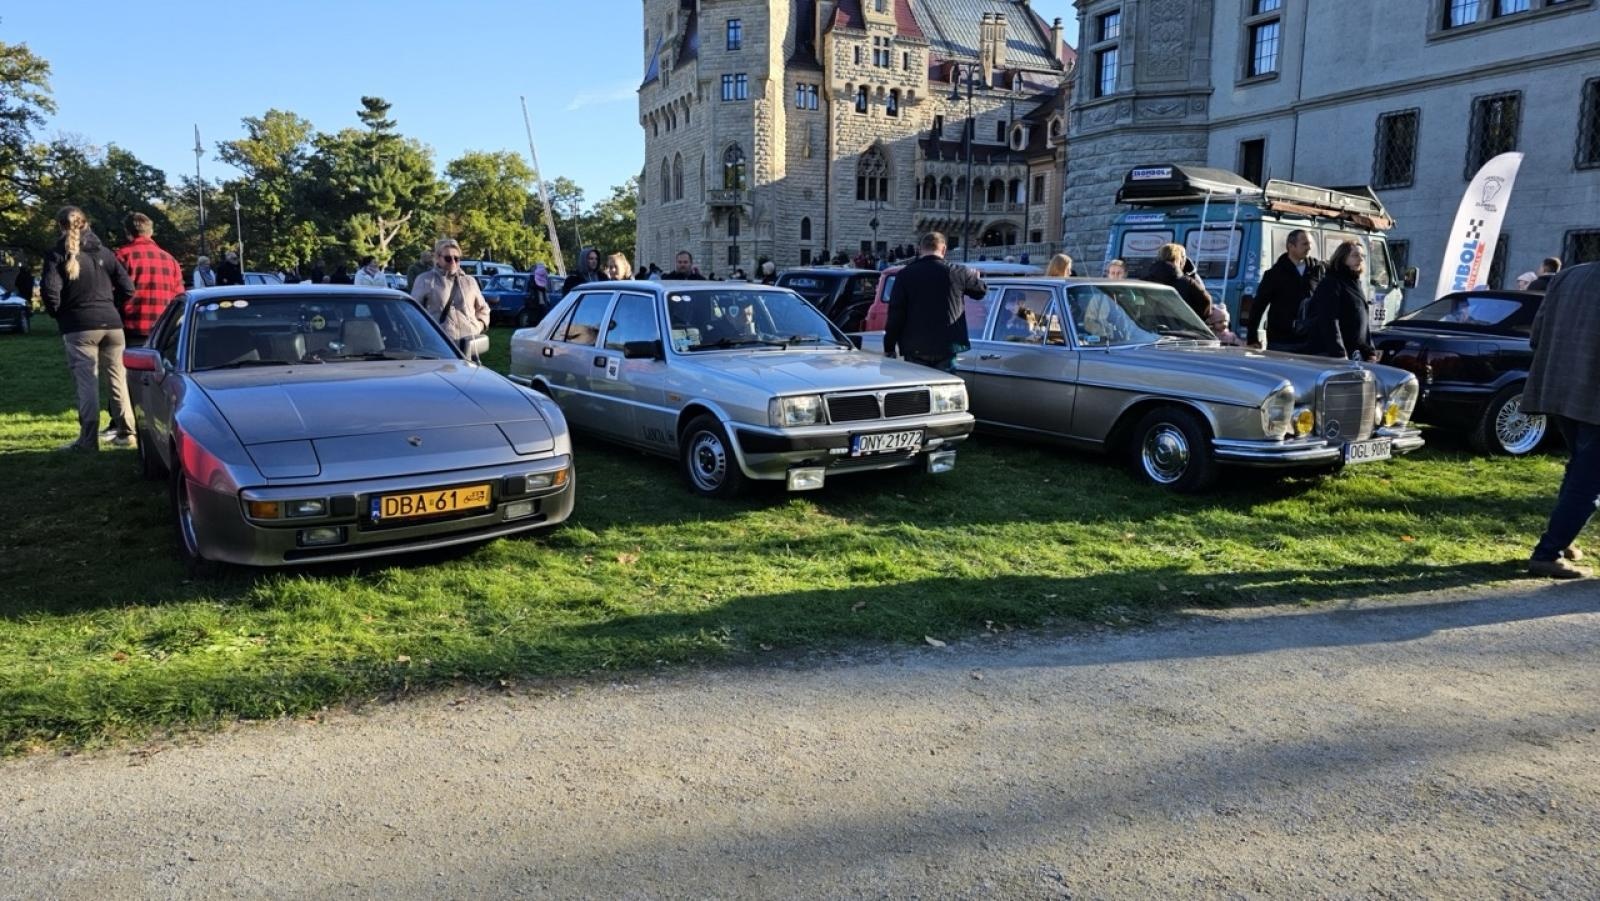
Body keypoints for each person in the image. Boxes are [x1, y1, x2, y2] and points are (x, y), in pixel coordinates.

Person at [1522, 261, 1600, 578]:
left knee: (1580, 467)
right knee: (1589, 479)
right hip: (1593, 395)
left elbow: (1536, 334)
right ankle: (1547, 552)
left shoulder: (1569, 275)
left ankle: (1564, 538)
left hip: (1559, 387)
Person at [40, 206, 138, 450]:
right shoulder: (105, 252)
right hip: (112, 324)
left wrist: (60, 314)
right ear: (87, 223)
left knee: (87, 382)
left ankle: (88, 439)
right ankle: (128, 432)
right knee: (118, 379)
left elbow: (51, 291)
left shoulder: (57, 254)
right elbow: (128, 288)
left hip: (79, 326)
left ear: (60, 225)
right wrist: (110, 306)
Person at [883, 231, 987, 373]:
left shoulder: (905, 274)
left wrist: (889, 347)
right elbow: (980, 292)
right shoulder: (958, 272)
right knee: (945, 391)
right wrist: (976, 277)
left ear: (920, 250)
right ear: (944, 249)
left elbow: (896, 314)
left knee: (919, 391)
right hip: (947, 345)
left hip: (915, 346)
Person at [1245, 229, 1325, 351]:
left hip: (1311, 340)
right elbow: (1258, 306)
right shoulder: (1274, 274)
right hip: (1282, 341)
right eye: (1304, 244)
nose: (1309, 248)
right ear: (1290, 246)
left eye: (1310, 244)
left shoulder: (1318, 271)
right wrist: (1252, 338)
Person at [112, 213, 183, 348]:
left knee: (132, 366)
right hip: (163, 328)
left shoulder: (122, 256)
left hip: (132, 326)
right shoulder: (170, 260)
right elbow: (178, 296)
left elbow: (112, 291)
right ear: (151, 231)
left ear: (127, 232)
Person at [411, 238, 491, 350]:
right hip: (440, 347)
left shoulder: (470, 281)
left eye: (456, 258)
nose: (453, 262)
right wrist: (427, 334)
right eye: (448, 258)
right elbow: (413, 314)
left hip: (469, 345)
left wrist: (479, 325)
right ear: (438, 258)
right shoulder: (425, 280)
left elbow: (483, 309)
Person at [1307, 240, 1374, 361]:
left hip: (1354, 354)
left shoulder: (1354, 282)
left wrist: (1370, 351)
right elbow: (1329, 320)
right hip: (1333, 355)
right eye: (1355, 255)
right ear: (1342, 258)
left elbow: (1363, 320)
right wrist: (1339, 353)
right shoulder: (1331, 282)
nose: (1360, 259)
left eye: (1362, 256)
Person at [1141, 244, 1212, 318]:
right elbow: (1206, 303)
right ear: (1180, 260)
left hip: (1147, 326)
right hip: (1182, 327)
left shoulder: (1143, 281)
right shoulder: (1189, 283)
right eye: (1184, 257)